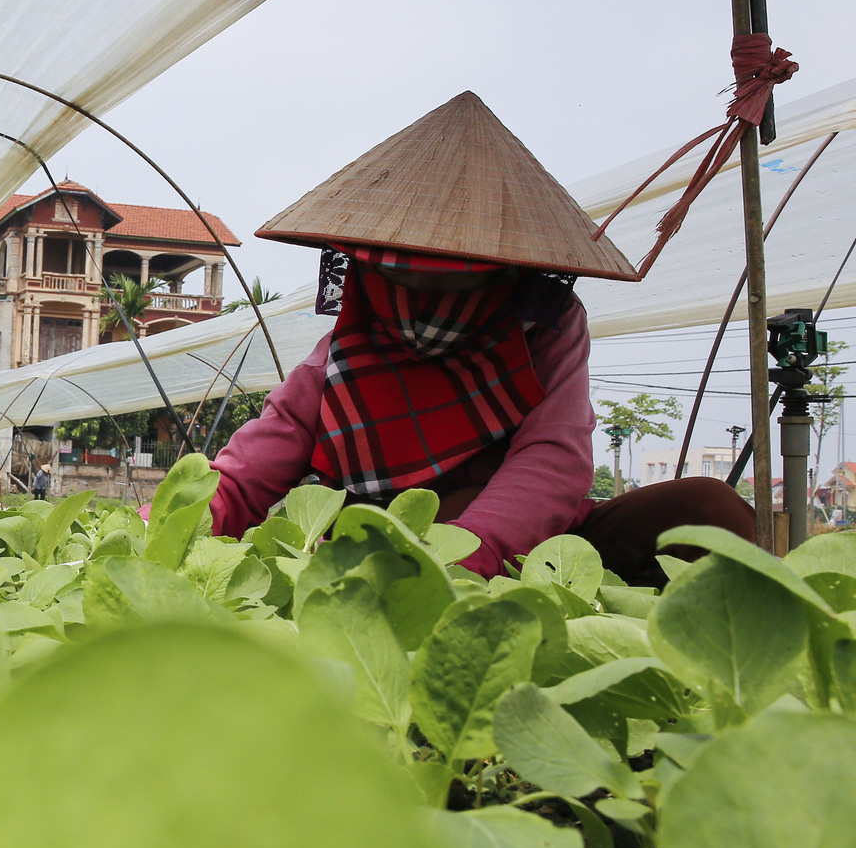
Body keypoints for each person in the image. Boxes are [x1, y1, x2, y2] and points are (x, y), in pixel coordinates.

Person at [208, 91, 753, 588]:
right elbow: (252, 466)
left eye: (448, 284)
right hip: (379, 554)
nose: (423, 307)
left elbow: (552, 461)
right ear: (366, 270)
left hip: (520, 548)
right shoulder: (344, 351)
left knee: (707, 510)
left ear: (504, 274)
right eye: (402, 280)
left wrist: (464, 562)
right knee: (423, 512)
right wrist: (172, 524)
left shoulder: (546, 324)